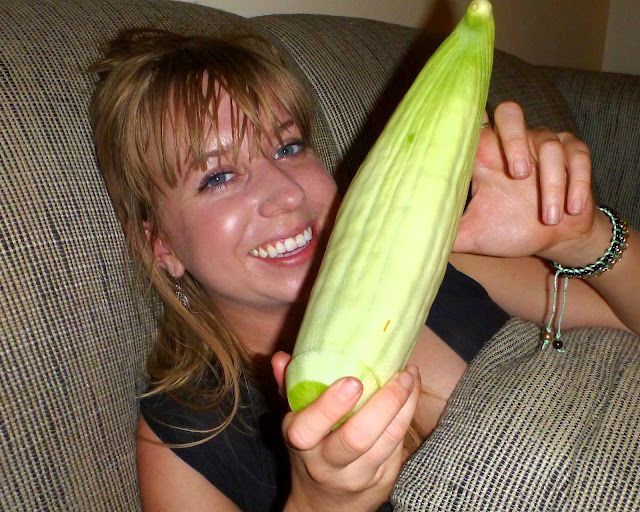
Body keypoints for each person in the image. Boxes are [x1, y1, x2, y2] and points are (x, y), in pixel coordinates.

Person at [89, 29, 639, 512]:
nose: (287, 192)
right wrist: (320, 503)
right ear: (161, 245)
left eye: (288, 147)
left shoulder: (438, 258)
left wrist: (581, 236)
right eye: (217, 178)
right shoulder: (184, 438)